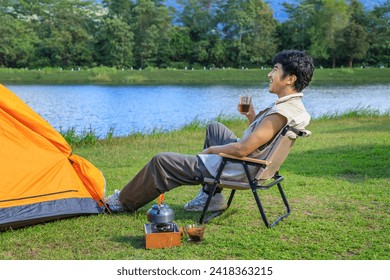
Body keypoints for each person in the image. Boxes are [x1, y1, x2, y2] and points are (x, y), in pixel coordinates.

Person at [104, 49, 315, 213]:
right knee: (215, 128)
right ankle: (211, 196)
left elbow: (243, 149)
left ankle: (122, 202)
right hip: (255, 164)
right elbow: (262, 140)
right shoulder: (293, 108)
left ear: (290, 78)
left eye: (275, 69)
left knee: (162, 161)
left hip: (241, 169)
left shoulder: (281, 112)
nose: (270, 74)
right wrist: (251, 116)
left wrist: (213, 150)